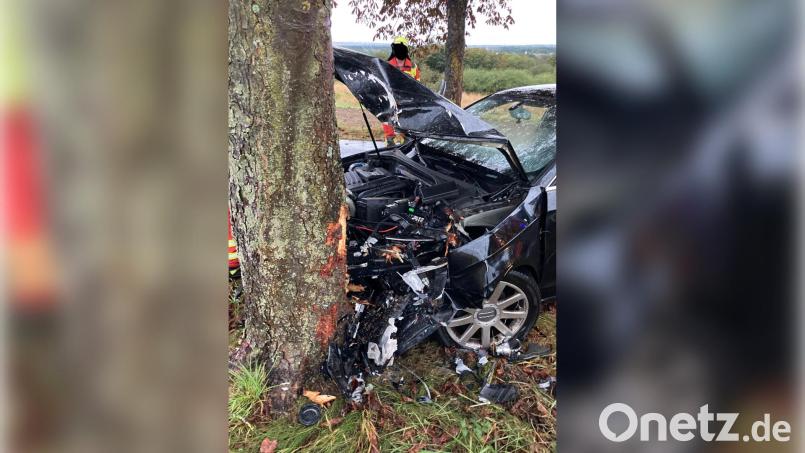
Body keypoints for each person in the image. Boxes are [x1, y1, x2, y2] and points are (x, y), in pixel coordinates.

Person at [383, 36, 420, 146]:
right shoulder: (386, 65)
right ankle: (390, 141)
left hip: (407, 102)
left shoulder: (413, 67)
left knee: (407, 123)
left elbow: (417, 86)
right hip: (391, 101)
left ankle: (406, 141)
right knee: (388, 118)